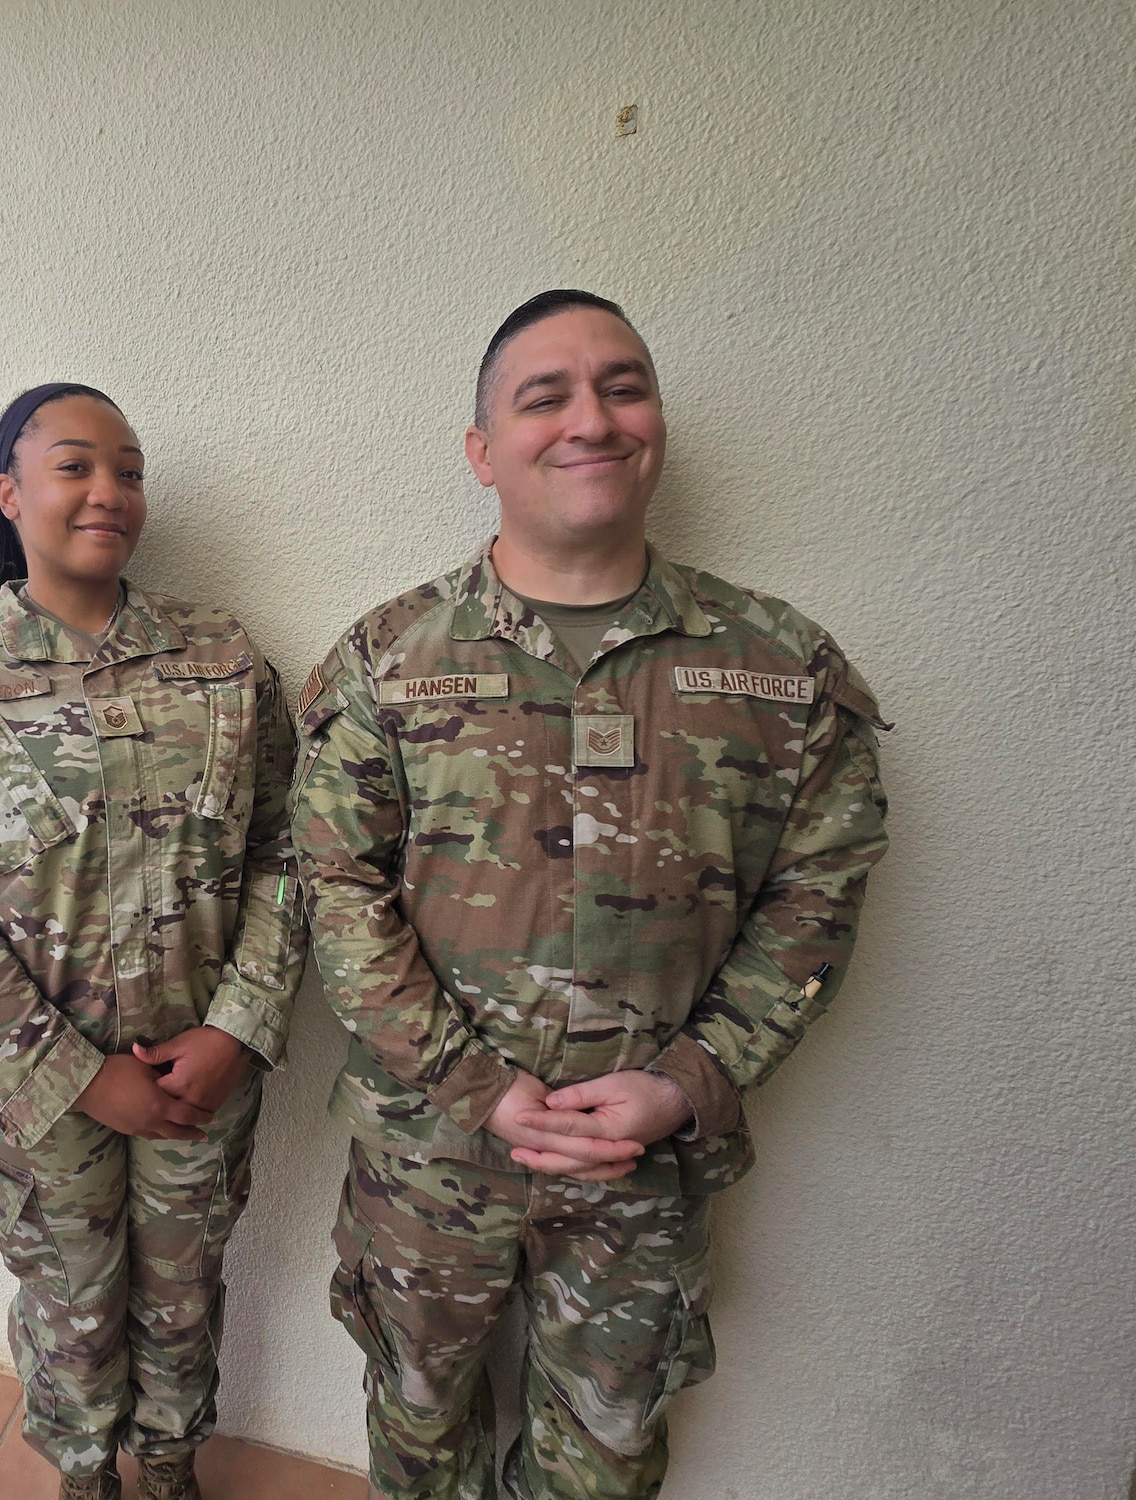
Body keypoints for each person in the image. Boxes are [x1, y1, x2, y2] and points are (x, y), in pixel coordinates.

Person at [291, 291, 891, 1500]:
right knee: (417, 1421)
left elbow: (815, 900)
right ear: (480, 451)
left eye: (622, 387)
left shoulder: (776, 669)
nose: (591, 420)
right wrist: (472, 1084)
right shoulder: (388, 661)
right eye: (544, 395)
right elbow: (334, 884)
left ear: (654, 422)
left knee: (608, 1455)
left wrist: (687, 1082)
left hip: (641, 1162)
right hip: (432, 1155)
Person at [0, 383, 307, 1500]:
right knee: (69, 1313)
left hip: (198, 1075)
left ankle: (165, 1474)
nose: (109, 491)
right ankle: (83, 1477)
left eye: (129, 468)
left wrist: (235, 1029)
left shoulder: (220, 659)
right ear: (9, 492)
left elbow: (286, 853)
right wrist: (73, 1075)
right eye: (75, 466)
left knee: (184, 1295)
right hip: (35, 1108)